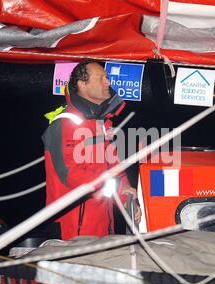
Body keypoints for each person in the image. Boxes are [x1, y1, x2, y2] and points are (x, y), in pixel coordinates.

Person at [42, 59, 141, 240]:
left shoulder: (102, 124)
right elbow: (72, 174)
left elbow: (115, 170)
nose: (108, 82)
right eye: (101, 78)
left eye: (107, 77)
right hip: (70, 233)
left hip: (102, 228)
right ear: (82, 85)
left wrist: (127, 197)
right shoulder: (64, 124)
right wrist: (116, 186)